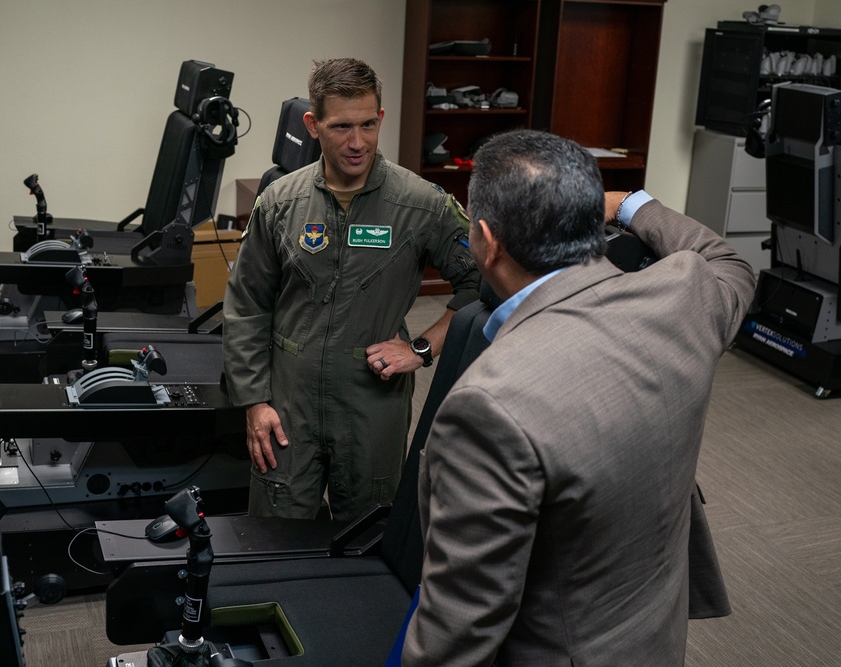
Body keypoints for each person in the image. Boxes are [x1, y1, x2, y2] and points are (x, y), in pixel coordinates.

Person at [403, 129, 756, 665]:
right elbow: (729, 263)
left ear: (485, 239)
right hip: (655, 641)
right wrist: (633, 205)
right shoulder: (687, 295)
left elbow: (459, 631)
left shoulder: (488, 407)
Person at [221, 58, 479, 522]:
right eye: (341, 127)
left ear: (380, 119)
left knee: (367, 537)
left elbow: (483, 283)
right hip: (287, 402)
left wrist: (421, 347)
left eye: (367, 125)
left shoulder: (420, 204)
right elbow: (246, 304)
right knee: (275, 533)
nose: (357, 142)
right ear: (313, 125)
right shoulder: (280, 203)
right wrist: (253, 402)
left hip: (370, 404)